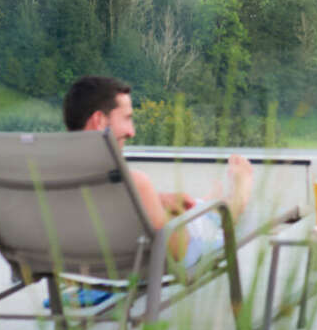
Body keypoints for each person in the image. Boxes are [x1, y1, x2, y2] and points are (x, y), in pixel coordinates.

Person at [63, 74, 254, 271]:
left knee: (180, 207)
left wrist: (155, 200)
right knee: (205, 220)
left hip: (82, 272)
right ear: (100, 121)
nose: (132, 131)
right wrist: (173, 214)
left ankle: (205, 204)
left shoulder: (48, 179)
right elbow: (177, 252)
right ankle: (234, 201)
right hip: (145, 266)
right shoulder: (133, 182)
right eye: (127, 118)